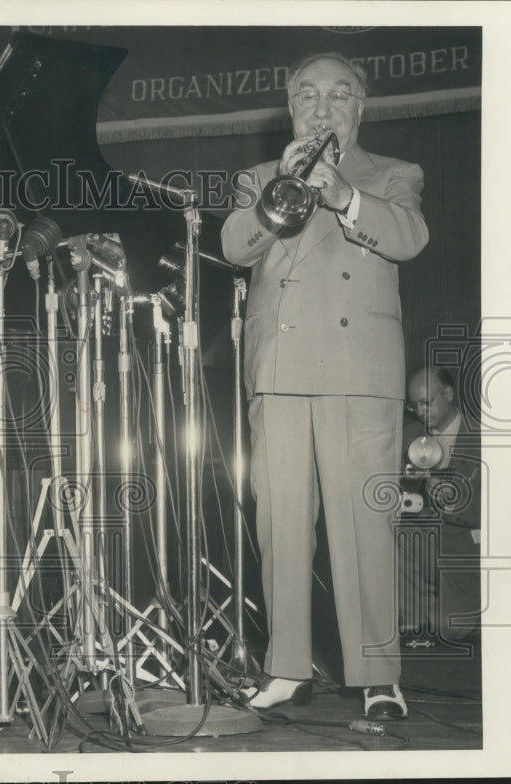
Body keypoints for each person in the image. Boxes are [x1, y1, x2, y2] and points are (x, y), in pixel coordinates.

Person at [221, 52, 429, 719]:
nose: (322, 107)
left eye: (338, 96)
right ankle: (286, 669)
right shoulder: (257, 176)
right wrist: (280, 185)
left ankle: (377, 675)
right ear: (291, 109)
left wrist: (346, 197)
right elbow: (232, 247)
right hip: (280, 369)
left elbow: (409, 239)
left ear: (359, 109)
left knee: (365, 525)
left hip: (357, 371)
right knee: (279, 522)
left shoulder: (394, 175)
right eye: (308, 96)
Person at [399, 366, 480, 644]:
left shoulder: (486, 439)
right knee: (398, 534)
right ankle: (415, 620)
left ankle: (480, 607)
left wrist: (452, 500)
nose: (420, 411)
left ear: (448, 393)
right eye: (414, 405)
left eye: (426, 402)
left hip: (465, 550)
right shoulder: (410, 435)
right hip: (425, 543)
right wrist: (408, 484)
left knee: (447, 628)